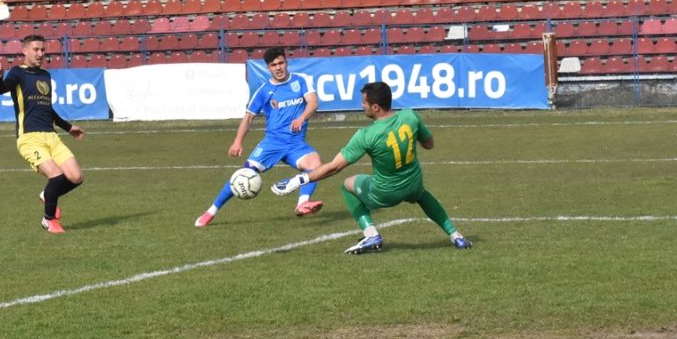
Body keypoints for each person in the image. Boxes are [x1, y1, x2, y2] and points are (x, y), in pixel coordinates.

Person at [272, 81, 471, 254]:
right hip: (413, 183)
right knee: (422, 195)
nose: (362, 106)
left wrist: (299, 179)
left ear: (375, 107)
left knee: (347, 184)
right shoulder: (411, 116)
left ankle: (371, 234)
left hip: (386, 193)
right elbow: (429, 144)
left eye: (364, 103)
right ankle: (456, 236)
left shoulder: (366, 135)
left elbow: (334, 167)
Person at [194, 47, 324, 227]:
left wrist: (302, 117)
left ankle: (302, 203)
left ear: (286, 63)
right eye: (273, 65)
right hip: (272, 143)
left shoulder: (301, 81)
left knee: (316, 166)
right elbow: (248, 117)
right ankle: (211, 212)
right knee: (244, 174)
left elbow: (313, 102)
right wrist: (238, 141)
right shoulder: (265, 90)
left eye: (281, 63)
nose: (278, 68)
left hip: (296, 144)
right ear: (268, 68)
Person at [0, 34, 84, 234]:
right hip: (30, 138)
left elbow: (47, 109)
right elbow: (1, 90)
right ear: (24, 51)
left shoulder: (45, 76)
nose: (40, 54)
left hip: (51, 136)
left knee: (76, 177)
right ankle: (49, 220)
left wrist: (68, 128)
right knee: (58, 177)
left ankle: (47, 194)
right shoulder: (17, 73)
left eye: (42, 50)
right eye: (36, 50)